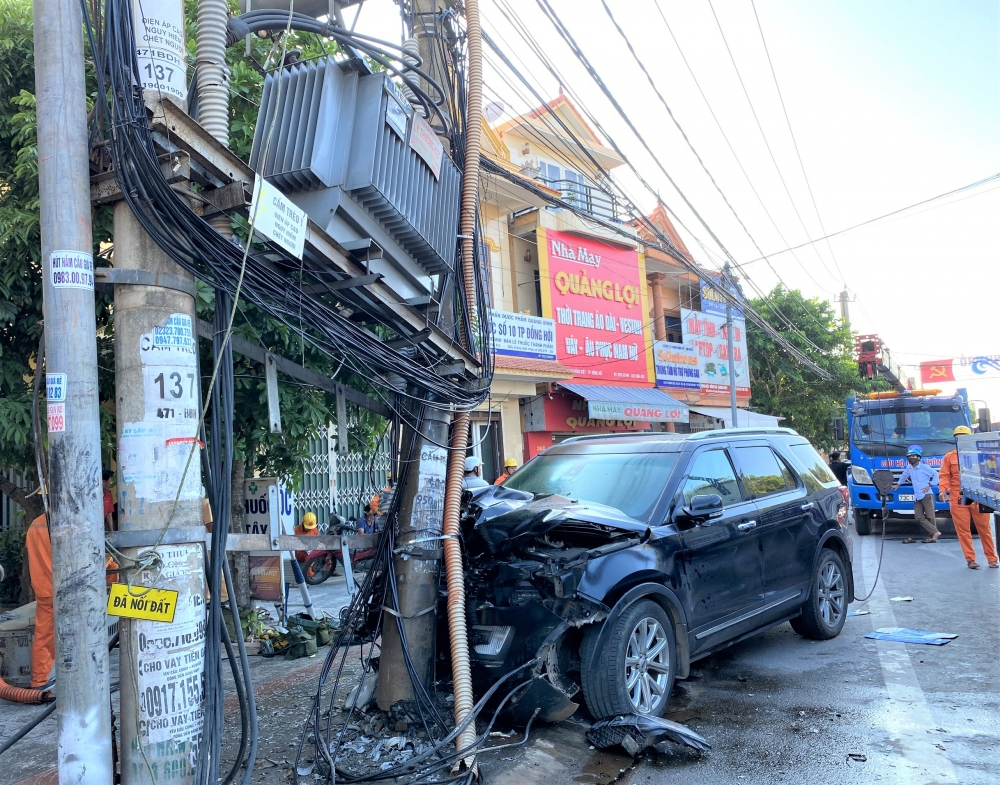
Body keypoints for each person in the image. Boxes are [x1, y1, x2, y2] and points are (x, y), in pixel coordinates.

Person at [939, 426, 998, 569]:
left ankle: (992, 559)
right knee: (963, 530)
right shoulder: (949, 457)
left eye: (964, 436)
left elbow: (992, 472)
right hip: (958, 498)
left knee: (985, 529)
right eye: (958, 437)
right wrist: (942, 490)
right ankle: (970, 559)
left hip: (979, 497)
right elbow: (945, 475)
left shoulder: (981, 454)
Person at [25, 514, 55, 693]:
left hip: (44, 590)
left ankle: (39, 682)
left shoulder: (36, 524)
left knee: (43, 637)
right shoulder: (71, 521)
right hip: (70, 590)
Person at [892, 445, 941, 543]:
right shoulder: (909, 468)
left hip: (926, 494)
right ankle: (935, 532)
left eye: (913, 456)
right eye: (909, 457)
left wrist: (930, 485)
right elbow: (904, 475)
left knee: (930, 516)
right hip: (918, 495)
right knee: (918, 516)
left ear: (919, 458)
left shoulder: (924, 467)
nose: (911, 458)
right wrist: (898, 484)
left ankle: (932, 536)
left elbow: (936, 475)